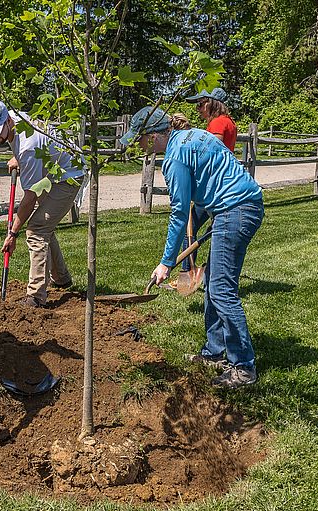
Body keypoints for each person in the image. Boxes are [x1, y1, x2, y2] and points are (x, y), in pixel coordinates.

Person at [120, 106, 264, 389]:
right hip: (240, 206)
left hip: (235, 210)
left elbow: (178, 213)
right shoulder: (194, 135)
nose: (139, 145)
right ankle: (214, 352)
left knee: (222, 288)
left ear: (154, 135)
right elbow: (205, 184)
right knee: (213, 282)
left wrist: (166, 262)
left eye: (140, 138)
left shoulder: (174, 158)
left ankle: (243, 367)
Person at [0, 100, 84, 307]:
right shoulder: (18, 118)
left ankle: (36, 296)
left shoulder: (28, 146)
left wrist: (13, 233)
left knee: (36, 230)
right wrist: (17, 157)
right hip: (53, 170)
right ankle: (62, 278)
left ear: (8, 121)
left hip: (69, 176)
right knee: (44, 227)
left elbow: (29, 197)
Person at [174, 87, 238, 279]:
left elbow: (210, 152)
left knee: (191, 225)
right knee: (214, 229)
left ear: (211, 103)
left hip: (212, 184)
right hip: (221, 183)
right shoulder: (228, 122)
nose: (198, 109)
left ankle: (188, 272)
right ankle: (207, 269)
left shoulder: (218, 123)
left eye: (200, 104)